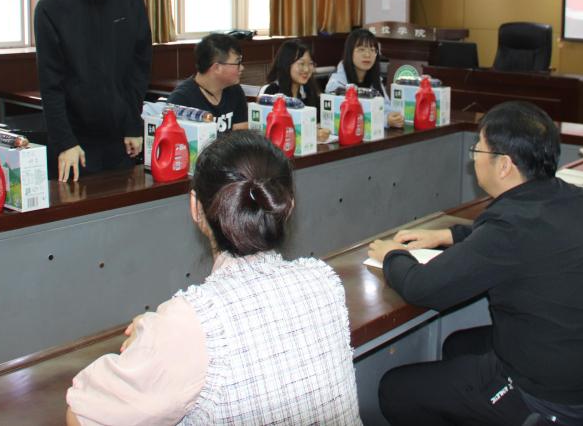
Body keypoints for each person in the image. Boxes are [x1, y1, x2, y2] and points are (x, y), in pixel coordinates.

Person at [65, 131, 361, 425]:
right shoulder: (323, 281)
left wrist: (156, 340)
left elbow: (82, 417)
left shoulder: (191, 325)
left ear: (195, 207)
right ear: (288, 206)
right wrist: (162, 335)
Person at [368, 102, 583, 426]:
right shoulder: (566, 197)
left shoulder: (511, 226)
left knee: (396, 390)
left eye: (478, 149)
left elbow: (422, 287)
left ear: (504, 165)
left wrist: (392, 254)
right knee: (458, 345)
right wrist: (447, 235)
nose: (473, 157)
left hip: (550, 399)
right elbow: (511, 241)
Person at [34, 0, 152, 182]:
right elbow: (51, 84)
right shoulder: (52, 7)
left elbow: (139, 69)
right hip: (74, 142)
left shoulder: (130, 0)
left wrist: (133, 124)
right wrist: (65, 142)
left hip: (121, 139)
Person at [168, 33, 250, 134]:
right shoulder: (181, 100)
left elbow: (242, 136)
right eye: (237, 63)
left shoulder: (235, 90)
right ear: (217, 68)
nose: (242, 68)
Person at [325, 28, 404, 128]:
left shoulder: (376, 80)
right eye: (361, 49)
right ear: (350, 52)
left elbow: (386, 107)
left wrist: (393, 117)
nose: (367, 55)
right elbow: (345, 119)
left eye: (372, 50)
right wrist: (385, 121)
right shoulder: (336, 84)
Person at [259, 39, 330, 143]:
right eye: (301, 64)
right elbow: (266, 131)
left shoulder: (309, 90)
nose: (306, 69)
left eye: (310, 63)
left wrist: (320, 131)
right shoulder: (271, 91)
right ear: (286, 64)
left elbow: (318, 122)